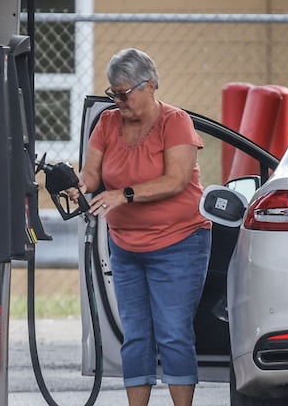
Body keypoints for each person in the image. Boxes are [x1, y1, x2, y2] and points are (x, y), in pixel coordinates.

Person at [72, 48, 211, 406]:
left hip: (178, 242)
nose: (117, 101)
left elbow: (176, 181)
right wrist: (79, 186)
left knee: (173, 333)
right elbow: (91, 174)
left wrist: (124, 195)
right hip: (126, 245)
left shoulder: (175, 121)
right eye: (112, 94)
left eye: (123, 93)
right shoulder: (107, 123)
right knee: (135, 335)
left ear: (149, 85)